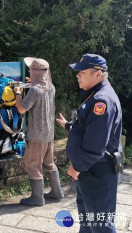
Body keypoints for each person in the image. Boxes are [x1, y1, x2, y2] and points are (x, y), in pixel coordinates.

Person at [56, 54, 122, 233]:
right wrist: (71, 126)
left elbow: (96, 146)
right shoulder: (95, 95)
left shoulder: (101, 101)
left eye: (82, 72)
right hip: (91, 171)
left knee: (100, 224)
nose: (77, 75)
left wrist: (76, 167)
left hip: (97, 172)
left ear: (98, 74)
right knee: (88, 219)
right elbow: (91, 128)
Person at [14, 57, 64, 206]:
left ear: (35, 72)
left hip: (36, 136)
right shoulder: (51, 87)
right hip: (49, 135)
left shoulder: (35, 91)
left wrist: (18, 93)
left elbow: (22, 108)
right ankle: (57, 192)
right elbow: (39, 90)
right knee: (48, 163)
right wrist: (32, 82)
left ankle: (37, 198)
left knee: (32, 164)